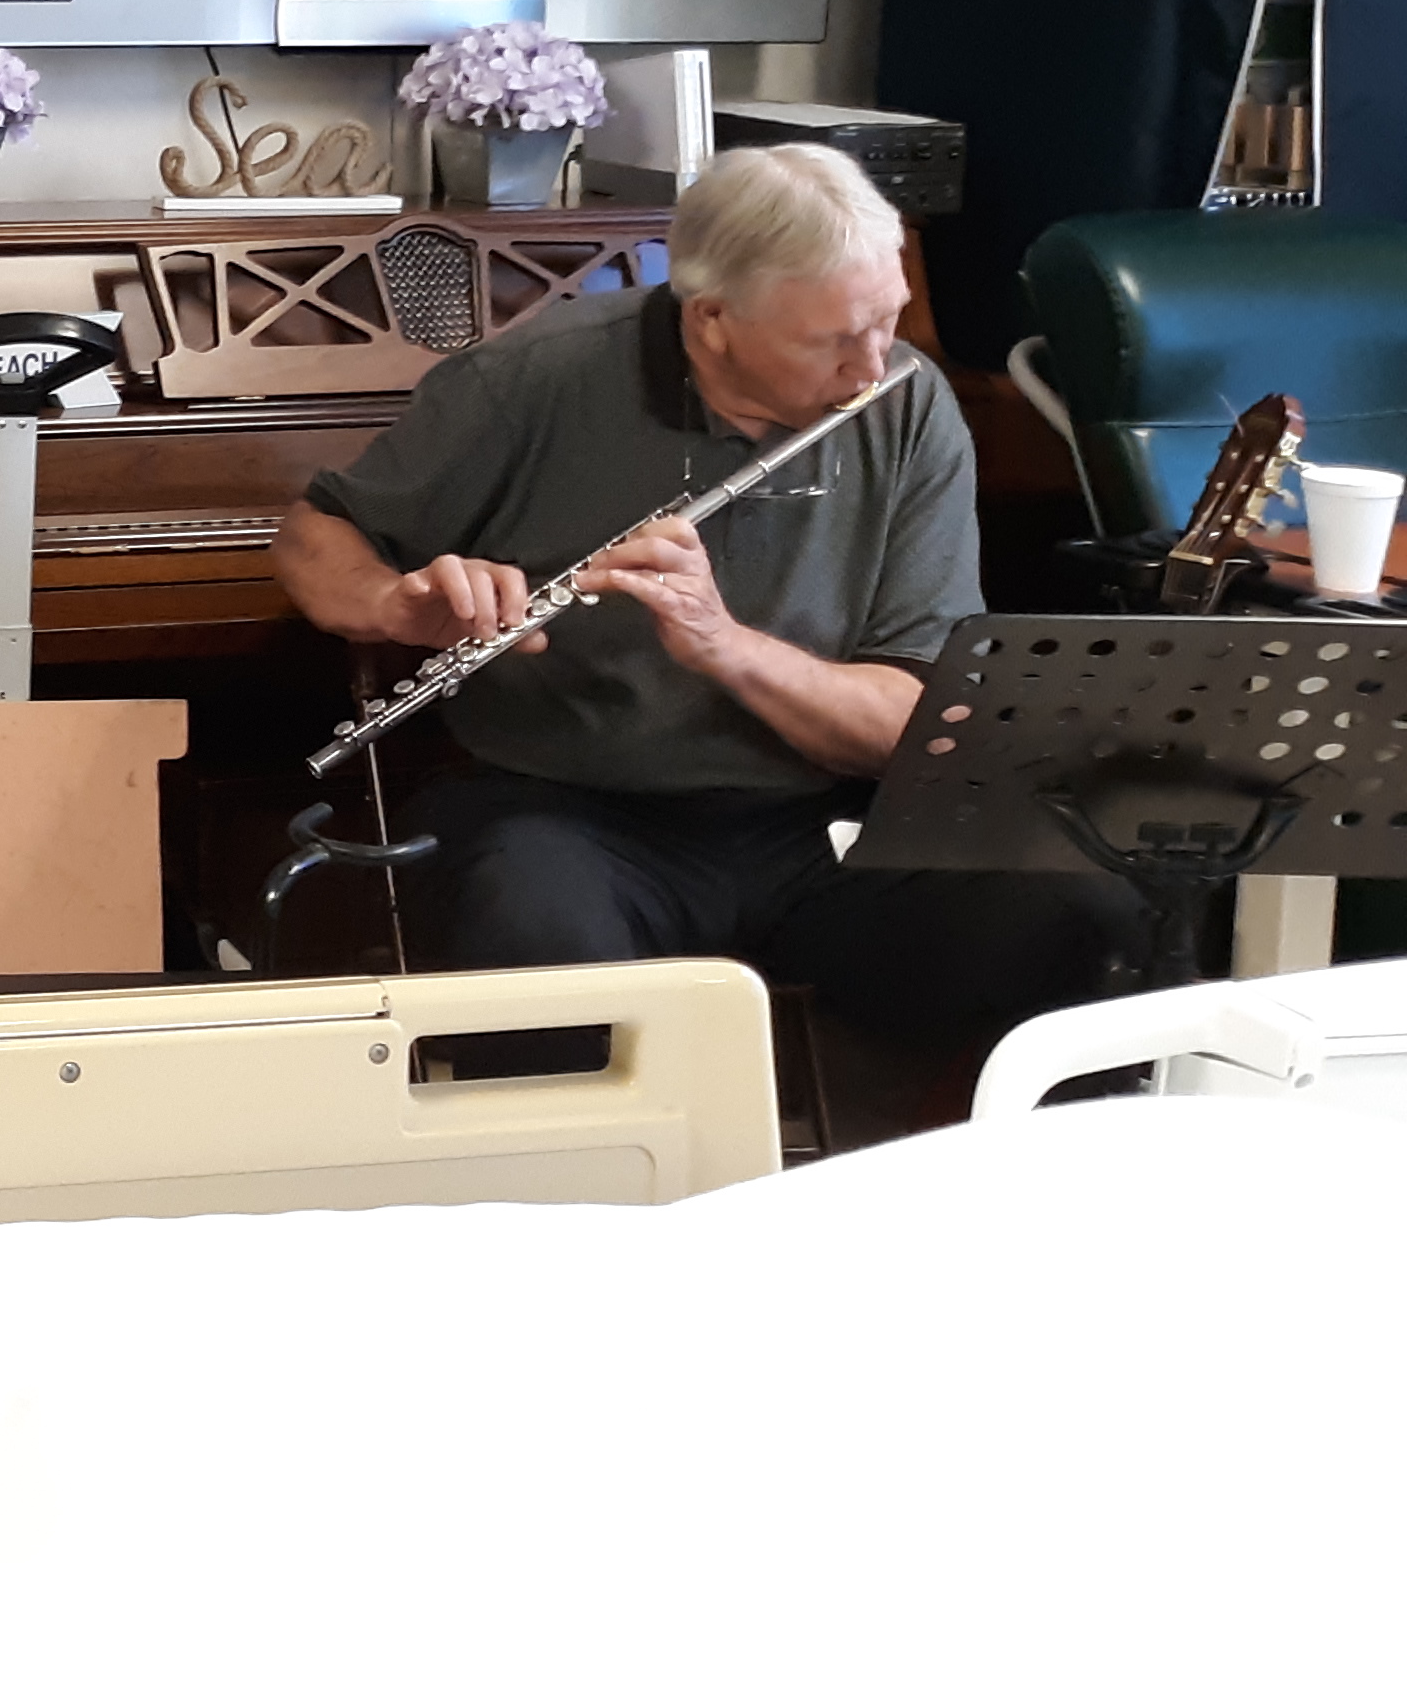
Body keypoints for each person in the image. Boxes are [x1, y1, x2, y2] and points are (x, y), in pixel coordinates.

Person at [272, 142, 1137, 1081]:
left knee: (1081, 910)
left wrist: (726, 649)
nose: (869, 370)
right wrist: (396, 605)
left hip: (824, 821)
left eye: (885, 324)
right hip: (570, 811)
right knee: (534, 944)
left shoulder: (908, 402)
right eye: (833, 341)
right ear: (714, 319)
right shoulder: (531, 383)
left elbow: (907, 725)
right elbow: (315, 534)